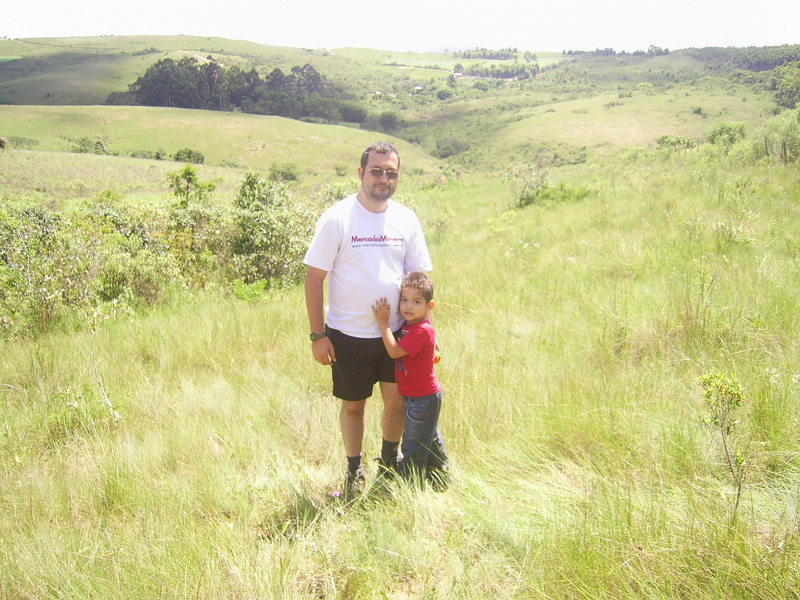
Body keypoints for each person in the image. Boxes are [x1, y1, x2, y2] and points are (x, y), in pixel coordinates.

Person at [304, 141, 433, 498]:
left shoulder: (406, 219)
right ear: (361, 173)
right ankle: (353, 471)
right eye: (376, 170)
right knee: (354, 405)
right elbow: (315, 278)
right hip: (347, 335)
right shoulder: (337, 218)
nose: (384, 178)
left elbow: (419, 279)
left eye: (391, 172)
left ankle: (388, 469)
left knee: (396, 403)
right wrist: (318, 335)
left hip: (397, 335)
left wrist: (423, 335)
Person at [372, 271, 450, 490]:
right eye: (404, 300)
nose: (408, 306)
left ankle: (408, 488)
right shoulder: (411, 324)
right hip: (418, 397)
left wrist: (383, 324)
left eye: (416, 302)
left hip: (422, 399)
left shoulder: (422, 330)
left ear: (429, 306)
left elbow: (395, 352)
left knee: (413, 446)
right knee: (429, 437)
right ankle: (441, 478)